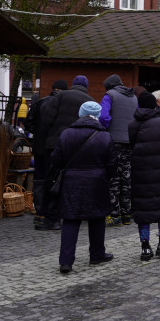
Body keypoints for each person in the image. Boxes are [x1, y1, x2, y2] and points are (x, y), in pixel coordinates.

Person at [52, 101, 115, 274]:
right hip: (97, 180)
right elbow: (112, 164)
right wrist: (104, 177)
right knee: (97, 218)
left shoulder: (66, 134)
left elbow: (56, 160)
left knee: (71, 219)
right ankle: (96, 254)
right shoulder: (105, 136)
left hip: (72, 181)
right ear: (97, 115)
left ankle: (66, 261)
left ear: (81, 113)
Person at [40, 75, 94, 230]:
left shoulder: (61, 96)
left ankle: (51, 219)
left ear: (73, 84)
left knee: (53, 180)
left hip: (55, 144)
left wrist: (47, 138)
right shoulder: (90, 101)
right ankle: (70, 215)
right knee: (72, 181)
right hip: (78, 148)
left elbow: (47, 119)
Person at [129, 91, 160, 261]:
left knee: (143, 209)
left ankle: (145, 247)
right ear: (153, 105)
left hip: (140, 172)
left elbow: (132, 146)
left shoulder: (132, 124)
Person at [26, 79, 66, 230]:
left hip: (39, 147)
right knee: (54, 179)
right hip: (54, 148)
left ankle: (40, 212)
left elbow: (29, 124)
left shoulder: (39, 103)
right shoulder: (62, 105)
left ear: (53, 88)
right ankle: (52, 212)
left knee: (40, 179)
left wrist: (37, 134)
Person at [100, 74, 138, 227]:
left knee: (113, 179)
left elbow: (103, 116)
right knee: (126, 179)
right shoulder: (134, 97)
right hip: (129, 141)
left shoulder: (109, 95)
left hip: (114, 141)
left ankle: (114, 216)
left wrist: (106, 128)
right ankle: (126, 215)